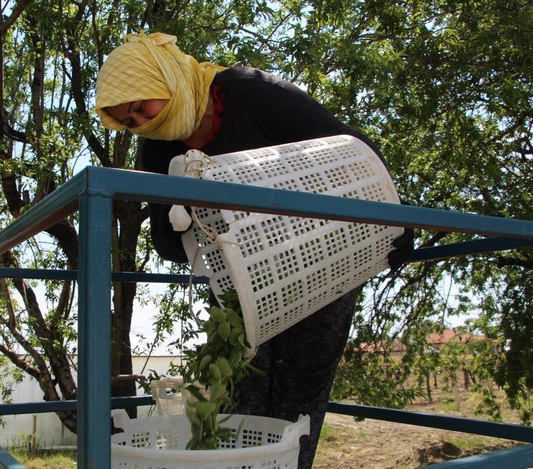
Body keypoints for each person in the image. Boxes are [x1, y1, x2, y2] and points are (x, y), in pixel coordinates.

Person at [95, 32, 413, 468]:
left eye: (140, 104)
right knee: (242, 387)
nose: (140, 120)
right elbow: (168, 242)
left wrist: (394, 220)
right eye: (127, 120)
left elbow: (348, 146)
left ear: (162, 77)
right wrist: (183, 211)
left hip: (320, 260)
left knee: (302, 387)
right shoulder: (157, 148)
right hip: (243, 284)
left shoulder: (249, 91)